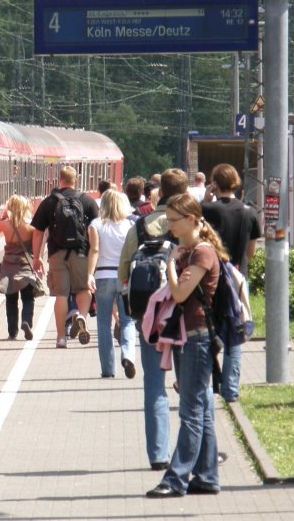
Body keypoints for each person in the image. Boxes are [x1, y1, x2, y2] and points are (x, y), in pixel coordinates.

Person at [146, 192, 224, 498]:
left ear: (192, 219)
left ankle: (176, 478)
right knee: (201, 408)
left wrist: (169, 266)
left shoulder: (202, 253)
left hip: (198, 337)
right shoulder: (188, 251)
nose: (170, 225)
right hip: (186, 335)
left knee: (190, 410)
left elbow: (179, 294)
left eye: (174, 220)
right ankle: (206, 476)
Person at [119, 167, 189, 471]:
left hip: (149, 316)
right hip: (186, 317)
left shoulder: (141, 226)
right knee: (190, 386)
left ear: (159, 193)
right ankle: (190, 452)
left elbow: (124, 271)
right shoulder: (191, 224)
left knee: (154, 385)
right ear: (185, 192)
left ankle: (158, 455)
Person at [201, 163, 262, 402]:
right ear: (236, 182)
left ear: (215, 184)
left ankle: (207, 382)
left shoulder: (207, 210)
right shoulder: (249, 212)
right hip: (237, 277)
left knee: (207, 330)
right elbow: (251, 253)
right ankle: (230, 389)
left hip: (211, 277)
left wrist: (205, 199)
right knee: (235, 333)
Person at [31, 166, 99, 349]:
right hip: (82, 252)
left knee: (60, 295)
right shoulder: (87, 201)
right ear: (75, 180)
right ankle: (81, 316)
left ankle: (61, 337)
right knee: (84, 290)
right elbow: (96, 229)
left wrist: (36, 258)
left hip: (56, 254)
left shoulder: (49, 202)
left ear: (59, 180)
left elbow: (37, 233)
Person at [87, 189, 136, 378]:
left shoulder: (96, 224)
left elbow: (95, 250)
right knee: (127, 321)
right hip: (125, 277)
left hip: (103, 276)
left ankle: (108, 369)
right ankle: (129, 355)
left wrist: (89, 274)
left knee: (103, 323)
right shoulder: (130, 225)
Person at [0, 195, 40, 341]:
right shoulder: (31, 226)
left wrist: (3, 216)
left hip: (9, 266)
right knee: (28, 298)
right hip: (25, 265)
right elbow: (36, 245)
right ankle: (26, 322)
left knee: (11, 299)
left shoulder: (5, 224)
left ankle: (12, 332)